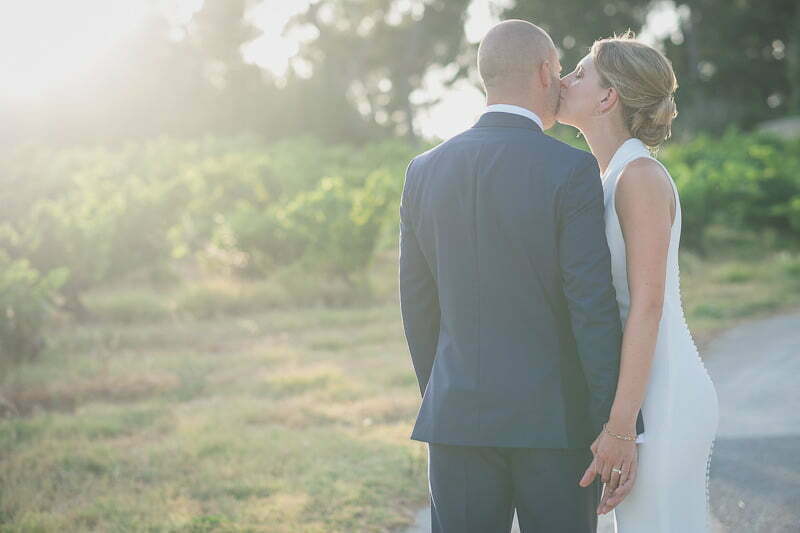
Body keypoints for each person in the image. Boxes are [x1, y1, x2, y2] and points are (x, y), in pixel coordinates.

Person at [398, 19, 643, 532]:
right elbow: (590, 305)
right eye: (559, 73)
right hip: (555, 427)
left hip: (456, 421)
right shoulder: (569, 168)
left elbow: (418, 307)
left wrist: (445, 395)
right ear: (545, 72)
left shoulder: (423, 169)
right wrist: (611, 424)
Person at [558, 31, 719, 531]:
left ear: (608, 98)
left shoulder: (640, 177)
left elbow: (647, 306)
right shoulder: (607, 176)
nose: (565, 79)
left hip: (662, 398)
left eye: (580, 73)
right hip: (638, 396)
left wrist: (622, 428)